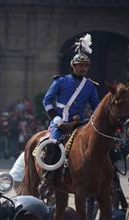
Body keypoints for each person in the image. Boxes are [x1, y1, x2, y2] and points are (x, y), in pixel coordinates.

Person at [38, 33, 99, 197]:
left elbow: (96, 108)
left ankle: (110, 182)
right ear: (73, 66)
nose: (83, 68)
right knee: (53, 145)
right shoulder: (60, 81)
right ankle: (47, 179)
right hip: (60, 122)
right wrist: (56, 119)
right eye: (80, 65)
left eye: (86, 66)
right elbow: (47, 101)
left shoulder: (91, 87)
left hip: (80, 123)